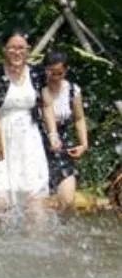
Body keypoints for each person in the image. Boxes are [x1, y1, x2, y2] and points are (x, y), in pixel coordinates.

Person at [0, 28, 60, 223]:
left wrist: (53, 134)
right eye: (12, 48)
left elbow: (47, 104)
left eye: (21, 48)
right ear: (4, 49)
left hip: (29, 139)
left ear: (28, 50)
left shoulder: (36, 74)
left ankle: (35, 246)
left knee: (34, 198)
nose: (17, 53)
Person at [41, 50, 88, 213]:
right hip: (37, 144)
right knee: (38, 200)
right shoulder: (37, 88)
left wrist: (83, 144)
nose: (55, 77)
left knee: (67, 200)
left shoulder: (72, 90)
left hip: (62, 145)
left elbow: (79, 118)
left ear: (65, 71)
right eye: (51, 73)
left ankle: (61, 234)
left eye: (59, 73)